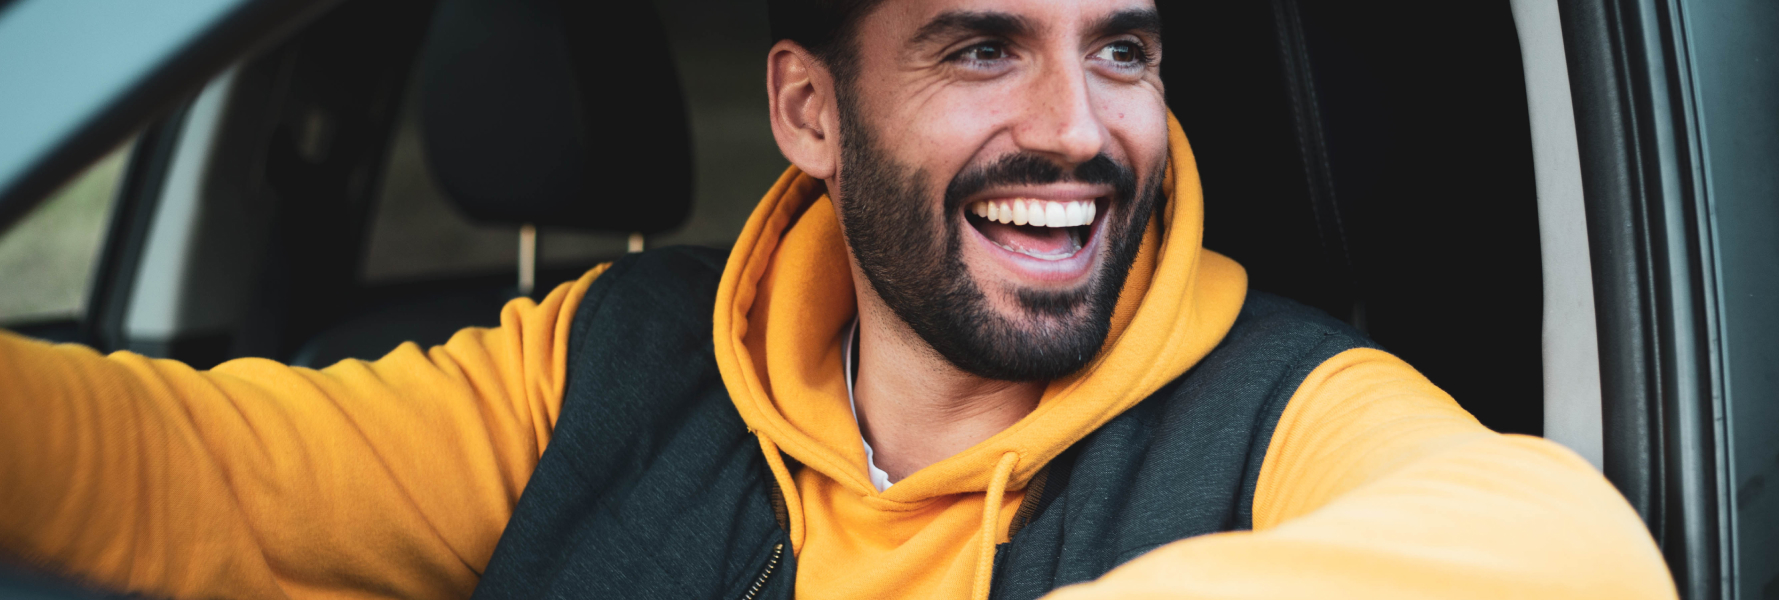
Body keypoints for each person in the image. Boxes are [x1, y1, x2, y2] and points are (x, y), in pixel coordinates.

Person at [0, 0, 1676, 598]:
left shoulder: (1277, 409)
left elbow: (1573, 556)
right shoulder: (622, 359)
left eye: (1124, 49)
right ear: (810, 113)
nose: (1080, 131)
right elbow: (177, 476)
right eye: (979, 48)